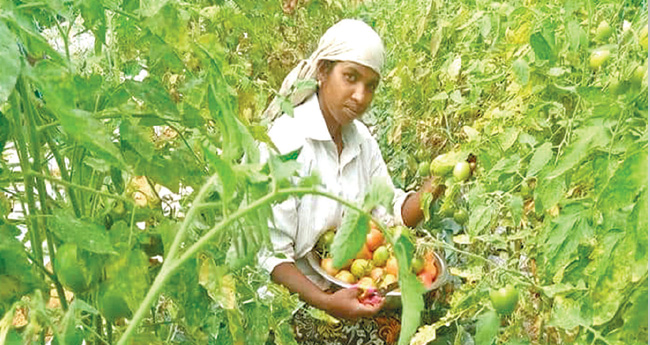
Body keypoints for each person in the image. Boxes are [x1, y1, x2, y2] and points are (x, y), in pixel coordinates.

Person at [259, 19, 443, 343]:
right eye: (351, 77)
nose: (361, 95)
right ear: (323, 71)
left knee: (437, 305)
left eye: (371, 85)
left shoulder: (361, 141)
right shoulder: (287, 143)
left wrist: (439, 182)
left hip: (344, 284)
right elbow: (270, 257)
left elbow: (392, 214)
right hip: (292, 301)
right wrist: (328, 303)